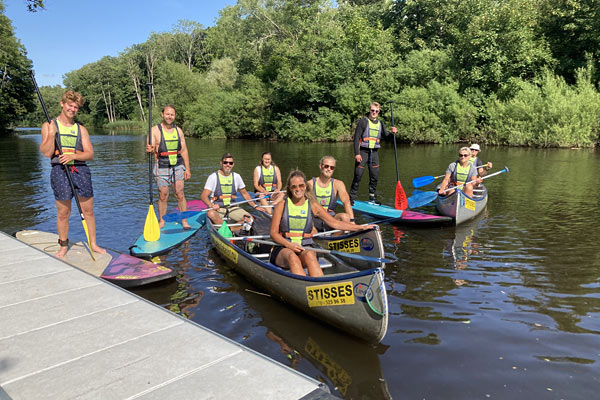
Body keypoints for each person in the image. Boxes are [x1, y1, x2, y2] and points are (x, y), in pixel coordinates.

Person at [39, 90, 106, 258]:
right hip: (59, 171)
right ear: (62, 104)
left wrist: (73, 155)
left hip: (80, 170)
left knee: (88, 211)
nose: (73, 109)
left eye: (76, 107)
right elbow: (47, 153)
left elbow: (90, 154)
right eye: (70, 105)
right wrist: (52, 134)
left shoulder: (81, 129)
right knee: (63, 213)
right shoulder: (49, 125)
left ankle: (93, 244)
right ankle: (63, 245)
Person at [270, 170, 374, 277]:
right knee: (292, 257)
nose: (298, 189)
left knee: (310, 254)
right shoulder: (282, 205)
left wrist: (360, 227)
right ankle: (304, 287)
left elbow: (335, 223)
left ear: (305, 186)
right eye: (294, 187)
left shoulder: (313, 206)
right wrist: (289, 245)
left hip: (305, 246)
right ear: (289, 189)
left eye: (301, 185)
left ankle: (318, 287)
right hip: (284, 248)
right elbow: (273, 233)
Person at [145, 105, 191, 229]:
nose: (169, 116)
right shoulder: (154, 130)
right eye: (167, 114)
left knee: (179, 193)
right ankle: (162, 220)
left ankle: (184, 220)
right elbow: (151, 148)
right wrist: (149, 149)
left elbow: (184, 150)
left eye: (172, 114)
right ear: (162, 114)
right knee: (163, 194)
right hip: (162, 165)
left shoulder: (179, 131)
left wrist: (188, 168)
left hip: (178, 165)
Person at [349, 101, 397, 205]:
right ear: (369, 110)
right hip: (363, 152)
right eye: (372, 110)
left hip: (374, 153)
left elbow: (387, 137)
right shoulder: (363, 122)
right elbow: (356, 138)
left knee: (374, 177)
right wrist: (357, 153)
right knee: (358, 176)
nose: (374, 112)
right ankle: (351, 198)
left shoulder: (380, 124)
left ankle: (372, 198)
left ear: (378, 112)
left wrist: (393, 133)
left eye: (376, 111)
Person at [201, 153, 259, 226]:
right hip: (218, 209)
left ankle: (230, 229)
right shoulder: (213, 177)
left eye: (230, 163)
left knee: (250, 219)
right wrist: (211, 205)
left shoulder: (237, 176)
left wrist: (255, 206)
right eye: (225, 162)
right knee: (210, 213)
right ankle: (232, 228)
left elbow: (244, 193)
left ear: (233, 164)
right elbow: (203, 196)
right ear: (221, 163)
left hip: (232, 208)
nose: (228, 165)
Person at [306, 155, 355, 233]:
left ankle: (336, 241)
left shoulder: (338, 184)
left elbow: (346, 202)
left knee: (345, 217)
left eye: (332, 167)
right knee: (309, 225)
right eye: (326, 166)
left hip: (331, 219)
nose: (329, 169)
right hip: (315, 220)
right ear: (320, 166)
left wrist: (352, 222)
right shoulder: (310, 184)